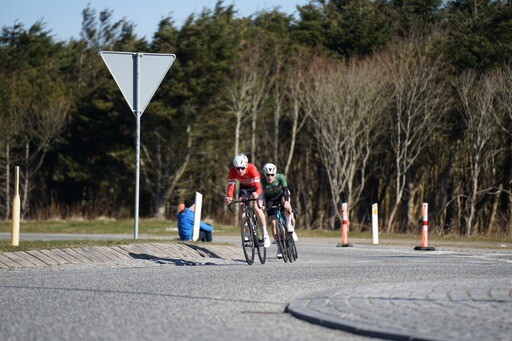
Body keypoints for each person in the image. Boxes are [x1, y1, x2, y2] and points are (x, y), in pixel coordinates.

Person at [225, 154, 271, 248]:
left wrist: (256, 194)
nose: (240, 171)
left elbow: (259, 188)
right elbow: (230, 188)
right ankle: (245, 234)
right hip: (244, 188)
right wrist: (229, 197)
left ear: (246, 166)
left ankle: (265, 233)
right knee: (242, 206)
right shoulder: (232, 171)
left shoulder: (252, 169)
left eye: (242, 168)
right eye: (238, 168)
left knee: (257, 208)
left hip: (256, 187)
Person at [260, 162, 298, 259]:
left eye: (272, 175)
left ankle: (289, 225)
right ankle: (279, 246)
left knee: (287, 206)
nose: (270, 177)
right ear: (264, 174)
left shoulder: (280, 177)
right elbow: (261, 195)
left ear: (275, 174)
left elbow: (285, 189)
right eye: (267, 175)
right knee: (273, 224)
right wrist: (262, 204)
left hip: (280, 195)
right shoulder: (262, 181)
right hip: (269, 200)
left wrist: (286, 202)